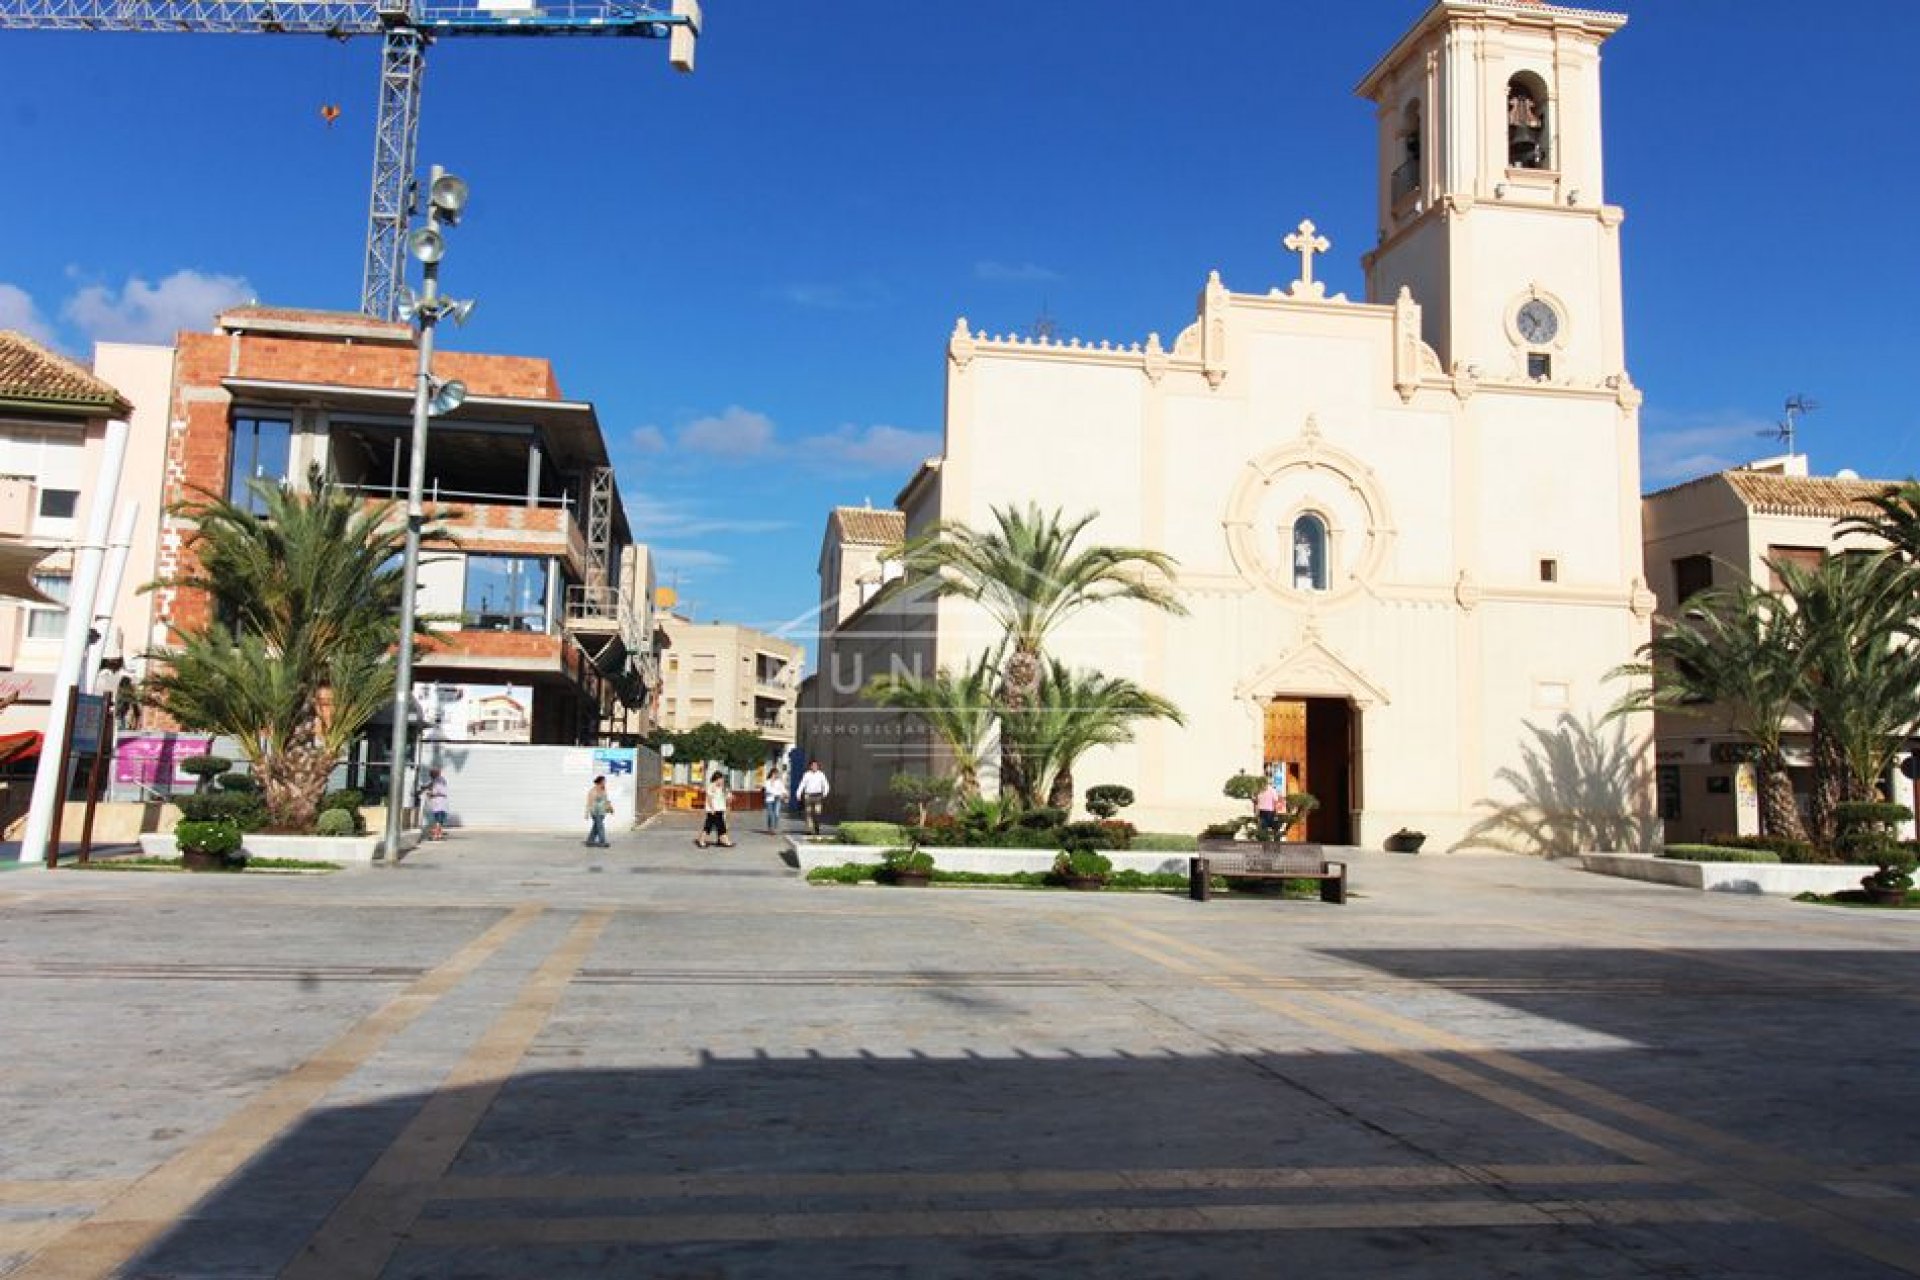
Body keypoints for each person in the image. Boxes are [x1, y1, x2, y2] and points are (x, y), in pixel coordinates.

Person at [696, 768, 734, 848]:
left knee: (720, 826)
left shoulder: (722, 787)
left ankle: (722, 841)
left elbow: (727, 797)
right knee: (709, 826)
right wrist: (712, 808)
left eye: (722, 779)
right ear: (717, 779)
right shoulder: (712, 786)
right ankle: (702, 841)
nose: (722, 781)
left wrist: (730, 798)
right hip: (713, 810)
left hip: (720, 809)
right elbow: (709, 798)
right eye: (721, 779)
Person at [794, 759, 830, 836]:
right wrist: (798, 794)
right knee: (808, 813)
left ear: (818, 766)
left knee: (817, 812)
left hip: (818, 795)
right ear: (810, 766)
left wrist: (825, 793)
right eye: (813, 765)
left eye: (816, 765)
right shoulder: (807, 774)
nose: (814, 767)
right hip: (808, 795)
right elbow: (802, 784)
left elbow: (826, 784)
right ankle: (809, 829)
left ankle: (817, 827)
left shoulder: (821, 774)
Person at [584, 775, 613, 848]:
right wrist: (587, 813)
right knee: (600, 826)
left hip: (602, 812)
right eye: (604, 781)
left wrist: (610, 807)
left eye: (605, 781)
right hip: (595, 812)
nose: (605, 783)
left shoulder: (604, 789)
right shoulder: (593, 791)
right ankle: (602, 842)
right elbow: (589, 802)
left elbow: (606, 800)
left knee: (596, 827)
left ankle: (590, 841)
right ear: (599, 782)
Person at [424, 768, 450, 841]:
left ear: (434, 774)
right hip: (442, 802)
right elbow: (430, 785)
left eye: (431, 774)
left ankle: (436, 835)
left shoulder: (438, 781)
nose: (430, 776)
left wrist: (430, 794)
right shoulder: (441, 780)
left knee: (437, 820)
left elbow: (437, 791)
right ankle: (439, 835)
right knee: (440, 820)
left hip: (438, 802)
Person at [762, 765, 789, 834]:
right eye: (776, 773)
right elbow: (767, 790)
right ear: (772, 774)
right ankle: (770, 828)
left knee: (776, 814)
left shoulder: (779, 781)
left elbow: (783, 789)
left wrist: (786, 794)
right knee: (770, 814)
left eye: (777, 774)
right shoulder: (767, 781)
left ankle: (774, 828)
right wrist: (777, 793)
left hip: (777, 799)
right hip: (769, 800)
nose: (777, 775)